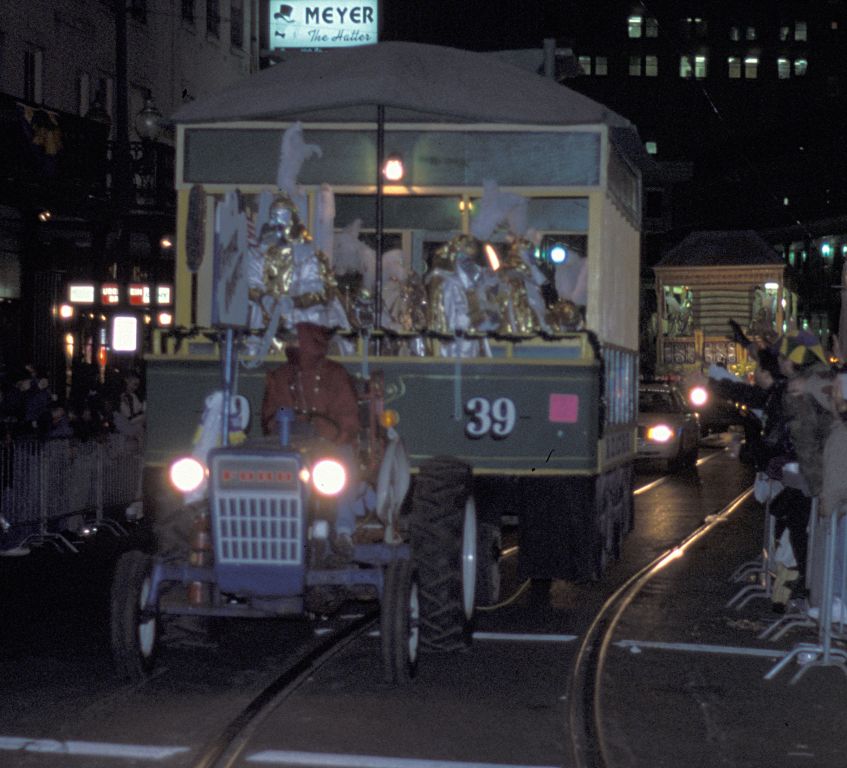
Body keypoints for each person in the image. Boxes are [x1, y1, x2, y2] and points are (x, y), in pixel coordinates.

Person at [261, 322, 361, 559]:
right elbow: (271, 415)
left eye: (296, 340)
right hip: (292, 445)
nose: (291, 345)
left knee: (343, 466)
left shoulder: (335, 374)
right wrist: (284, 431)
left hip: (329, 443)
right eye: (290, 340)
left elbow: (348, 415)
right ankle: (276, 528)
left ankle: (343, 530)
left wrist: (334, 438)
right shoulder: (281, 376)